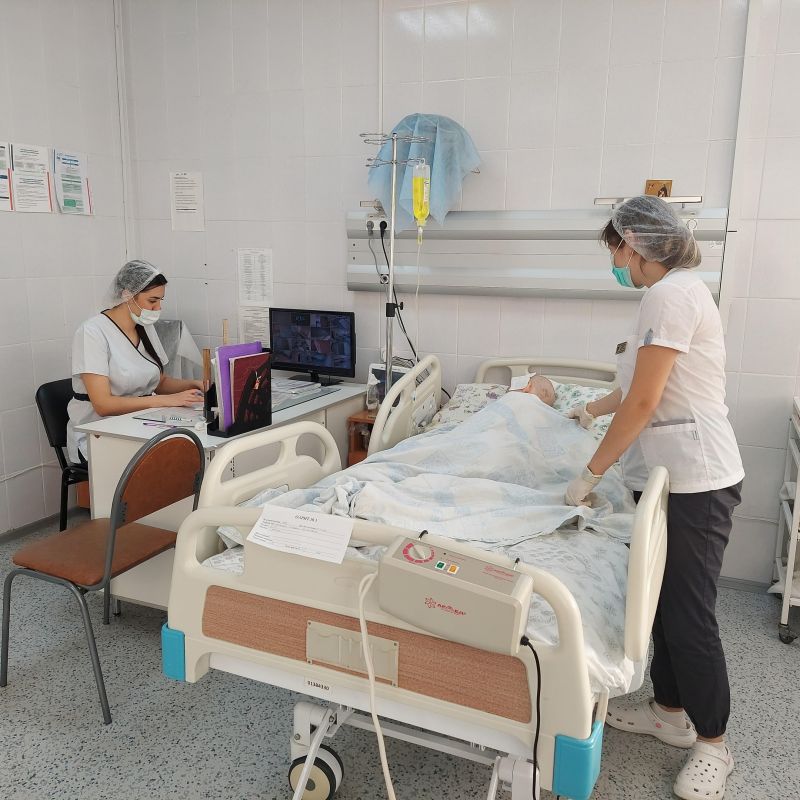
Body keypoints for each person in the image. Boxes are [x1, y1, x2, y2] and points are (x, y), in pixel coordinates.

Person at [563, 195, 743, 800]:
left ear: (636, 245)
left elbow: (645, 403)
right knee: (664, 602)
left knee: (689, 613)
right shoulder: (663, 297)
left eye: (616, 251)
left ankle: (714, 744)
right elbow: (632, 387)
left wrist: (590, 473)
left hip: (698, 479)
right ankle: (669, 713)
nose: (615, 263)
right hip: (669, 476)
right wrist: (588, 410)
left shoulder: (672, 295)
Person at [67, 260, 205, 463]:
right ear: (127, 295)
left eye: (160, 300)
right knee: (173, 461)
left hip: (139, 424)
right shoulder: (92, 333)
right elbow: (103, 405)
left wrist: (195, 384)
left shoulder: (144, 326)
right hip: (98, 434)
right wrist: (165, 400)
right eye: (152, 301)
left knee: (190, 448)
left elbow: (159, 382)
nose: (158, 308)